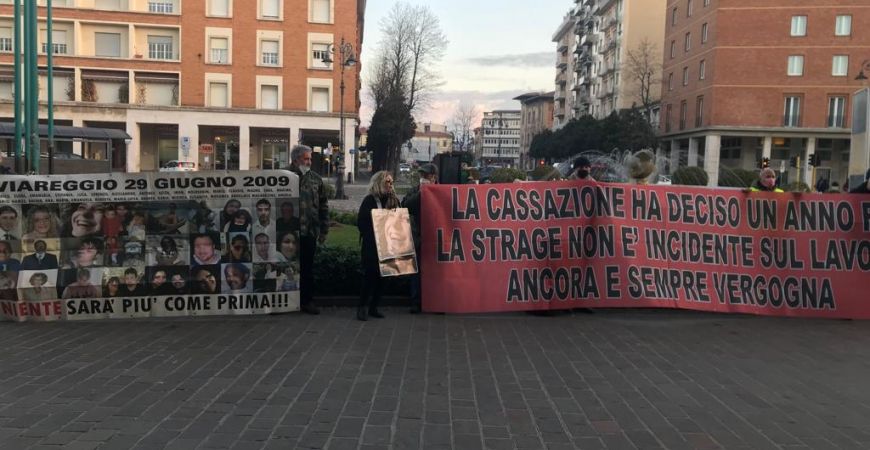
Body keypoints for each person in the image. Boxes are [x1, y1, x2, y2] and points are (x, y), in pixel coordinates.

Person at [289, 144, 329, 315]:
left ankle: (307, 301)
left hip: (309, 232)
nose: (309, 162)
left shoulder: (315, 179)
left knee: (307, 268)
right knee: (286, 266)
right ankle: (285, 301)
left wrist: (324, 229)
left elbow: (323, 206)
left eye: (310, 158)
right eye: (306, 158)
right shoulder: (284, 177)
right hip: (288, 233)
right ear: (296, 159)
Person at [356, 170, 399, 321]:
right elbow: (361, 221)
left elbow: (399, 219)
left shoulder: (392, 199)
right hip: (372, 245)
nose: (390, 185)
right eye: (387, 182)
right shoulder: (369, 200)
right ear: (379, 182)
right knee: (370, 276)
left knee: (385, 278)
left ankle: (374, 306)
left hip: (388, 244)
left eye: (392, 182)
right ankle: (362, 307)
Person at [402, 163, 437, 313]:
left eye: (427, 176)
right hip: (418, 237)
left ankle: (436, 301)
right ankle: (416, 302)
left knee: (436, 272)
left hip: (437, 239)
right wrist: (421, 193)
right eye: (422, 175)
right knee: (416, 272)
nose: (423, 178)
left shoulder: (442, 191)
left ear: (434, 177)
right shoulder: (415, 191)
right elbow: (405, 205)